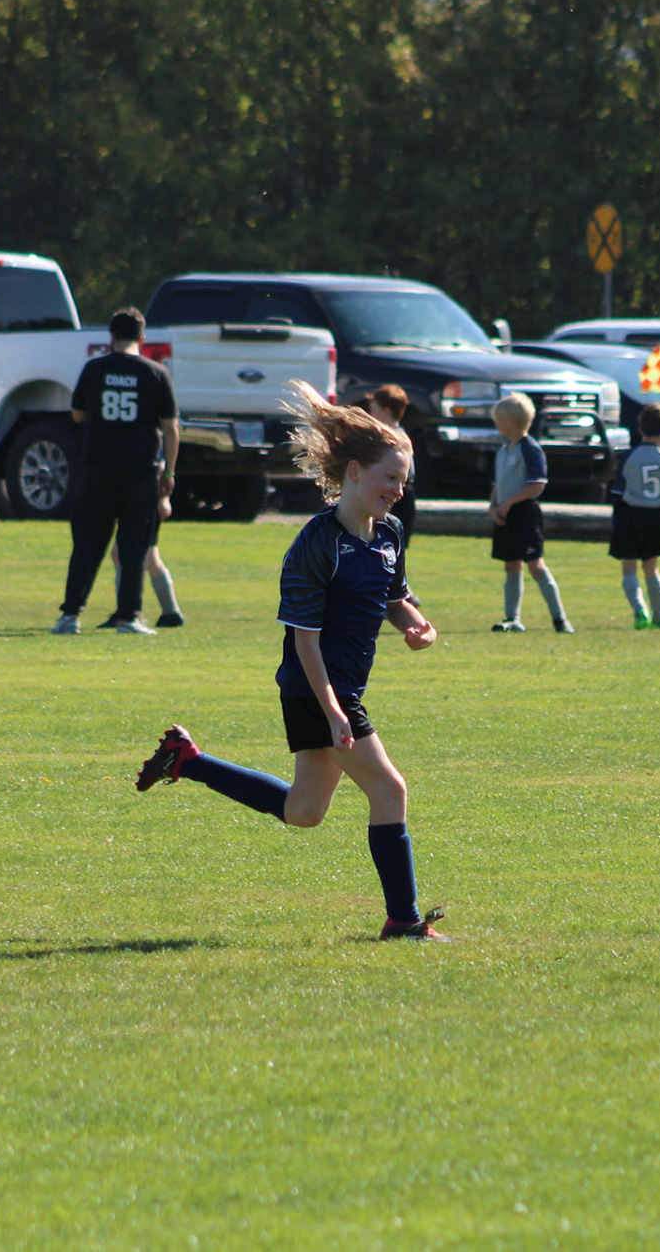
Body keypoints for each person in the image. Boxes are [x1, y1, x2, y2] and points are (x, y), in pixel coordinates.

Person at [134, 382, 449, 941]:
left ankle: (186, 760)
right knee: (390, 791)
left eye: (404, 482)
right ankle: (403, 920)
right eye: (390, 478)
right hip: (315, 688)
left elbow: (393, 597)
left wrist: (415, 625)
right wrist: (333, 712)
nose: (398, 491)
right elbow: (305, 641)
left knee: (304, 811)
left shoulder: (390, 533)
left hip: (339, 691)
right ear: (355, 472)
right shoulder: (316, 543)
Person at [52, 308, 178, 636]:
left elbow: (77, 415)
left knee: (87, 545)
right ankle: (128, 617)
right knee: (135, 547)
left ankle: (70, 616)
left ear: (112, 337)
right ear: (142, 338)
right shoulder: (156, 373)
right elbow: (171, 428)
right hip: (140, 472)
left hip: (97, 469)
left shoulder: (94, 369)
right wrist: (169, 473)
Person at [487, 392, 572, 633]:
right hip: (504, 515)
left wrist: (510, 503)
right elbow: (498, 484)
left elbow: (537, 485)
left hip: (524, 514)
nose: (497, 424)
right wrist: (494, 506)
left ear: (514, 422)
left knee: (535, 566)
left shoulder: (530, 449)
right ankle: (512, 619)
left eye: (500, 419)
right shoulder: (503, 450)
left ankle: (560, 619)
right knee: (511, 565)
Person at [610, 403, 660, 629]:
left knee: (629, 568)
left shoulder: (629, 456)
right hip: (656, 517)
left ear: (640, 429)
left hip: (630, 516)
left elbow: (617, 493)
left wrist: (616, 521)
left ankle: (640, 612)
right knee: (651, 568)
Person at [99, 495, 184, 628]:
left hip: (148, 500)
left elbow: (163, 479)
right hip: (134, 500)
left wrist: (164, 497)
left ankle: (127, 612)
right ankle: (170, 613)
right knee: (140, 555)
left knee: (141, 554)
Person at [358, 385, 415, 545]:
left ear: (387, 411)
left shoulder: (396, 440)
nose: (371, 415)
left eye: (374, 410)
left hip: (398, 496)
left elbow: (407, 474)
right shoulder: (393, 436)